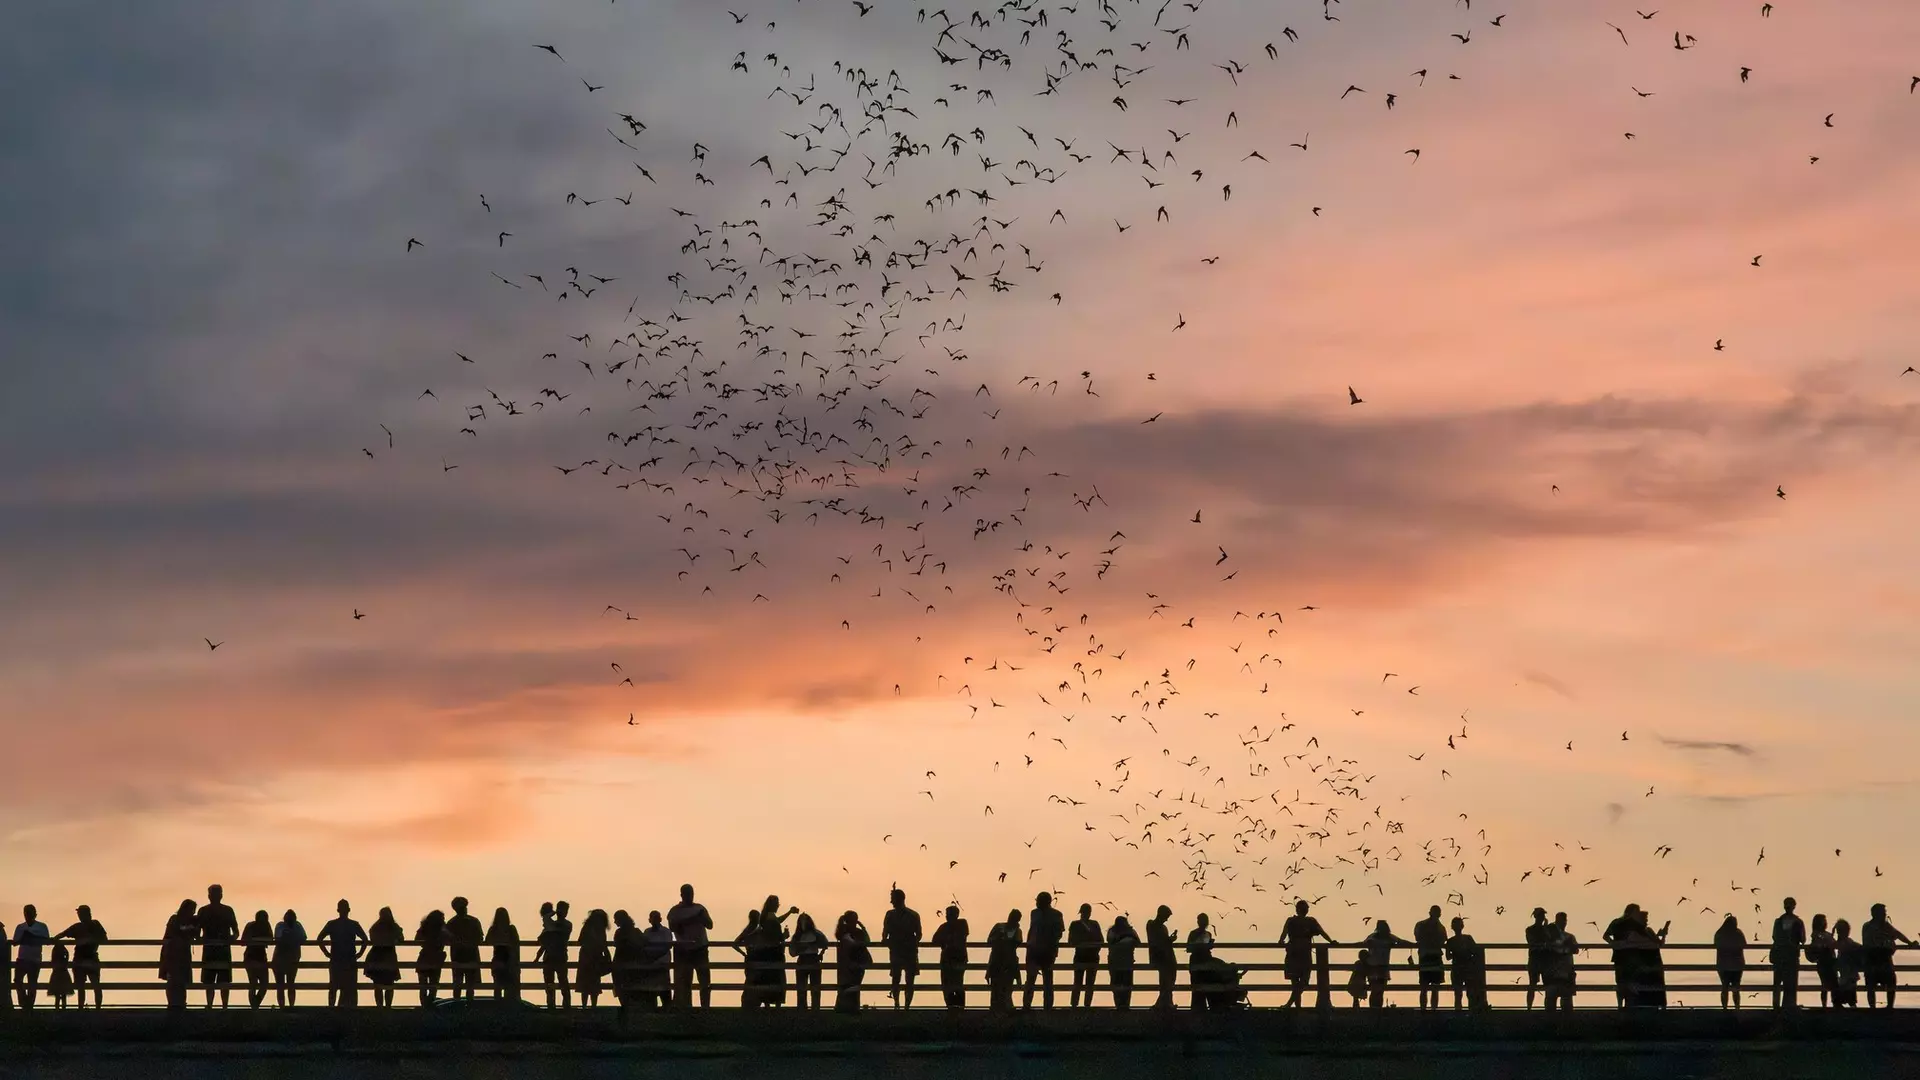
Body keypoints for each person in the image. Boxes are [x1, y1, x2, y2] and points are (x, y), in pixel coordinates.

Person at [1280, 900, 1333, 1008]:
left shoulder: (1293, 921)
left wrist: (1281, 942)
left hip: (1294, 953)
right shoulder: (1309, 921)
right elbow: (1322, 932)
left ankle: (1292, 1005)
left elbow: (1283, 936)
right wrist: (1331, 941)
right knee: (1301, 982)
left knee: (1297, 983)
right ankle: (1295, 1006)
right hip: (1302, 954)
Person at [667, 885, 714, 1009]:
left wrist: (700, 917)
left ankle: (705, 1007)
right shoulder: (675, 911)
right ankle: (687, 1007)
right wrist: (694, 918)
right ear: (681, 895)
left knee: (704, 982)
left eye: (691, 893)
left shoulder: (700, 908)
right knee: (685, 982)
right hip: (684, 950)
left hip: (700, 948)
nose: (690, 896)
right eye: (687, 894)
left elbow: (709, 924)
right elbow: (674, 927)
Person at [1861, 903, 1914, 1009]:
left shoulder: (1885, 925)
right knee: (1872, 985)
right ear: (1875, 913)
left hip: (1883, 958)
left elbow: (1898, 934)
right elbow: (1869, 943)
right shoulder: (1868, 926)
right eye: (1883, 912)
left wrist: (1909, 943)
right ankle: (1873, 1008)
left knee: (1890, 982)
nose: (1885, 914)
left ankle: (1889, 1007)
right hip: (1874, 958)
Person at [54, 905, 107, 1009]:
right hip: (86, 958)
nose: (79, 916)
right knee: (89, 985)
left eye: (80, 914)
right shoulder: (83, 926)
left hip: (85, 958)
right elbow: (62, 934)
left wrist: (89, 940)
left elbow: (61, 935)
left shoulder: (88, 925)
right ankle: (92, 1008)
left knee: (90, 985)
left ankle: (86, 1008)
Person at [316, 900, 366, 1008]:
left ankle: (332, 1008)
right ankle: (350, 1009)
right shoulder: (353, 924)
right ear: (349, 910)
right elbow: (365, 940)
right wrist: (360, 953)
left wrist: (326, 953)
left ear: (338, 910)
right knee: (349, 986)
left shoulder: (332, 924)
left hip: (337, 959)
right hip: (349, 959)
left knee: (334, 985)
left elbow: (319, 939)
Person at [196, 884, 239, 1009]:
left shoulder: (227, 910)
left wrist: (231, 938)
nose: (215, 896)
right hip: (210, 948)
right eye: (213, 893)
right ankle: (210, 1004)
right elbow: (197, 931)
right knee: (209, 980)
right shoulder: (204, 911)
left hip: (222, 949)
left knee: (223, 980)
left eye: (217, 893)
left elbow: (236, 931)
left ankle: (224, 1005)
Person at [880, 889, 923, 1008]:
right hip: (905, 950)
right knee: (903, 979)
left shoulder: (892, 915)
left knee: (900, 979)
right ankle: (902, 1005)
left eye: (893, 899)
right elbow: (919, 934)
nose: (891, 901)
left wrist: (887, 941)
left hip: (900, 950)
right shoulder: (912, 915)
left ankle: (900, 1005)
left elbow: (885, 933)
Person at [752, 896, 797, 1008]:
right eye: (777, 903)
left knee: (767, 978)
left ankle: (767, 1004)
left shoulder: (766, 917)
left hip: (766, 953)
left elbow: (778, 920)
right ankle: (776, 1005)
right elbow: (776, 937)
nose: (778, 906)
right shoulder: (770, 920)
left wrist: (789, 913)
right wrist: (784, 936)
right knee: (776, 978)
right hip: (775, 953)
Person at [1024, 892, 1066, 1010]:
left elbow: (1059, 932)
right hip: (1034, 951)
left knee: (1047, 980)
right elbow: (1031, 931)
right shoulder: (1034, 913)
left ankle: (1047, 1006)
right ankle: (1026, 1005)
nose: (1036, 902)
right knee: (1031, 980)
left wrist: (1049, 944)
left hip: (1047, 951)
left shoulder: (1056, 914)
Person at [158, 899, 199, 1012]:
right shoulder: (175, 919)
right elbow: (172, 932)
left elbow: (196, 933)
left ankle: (181, 1003)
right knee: (172, 979)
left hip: (183, 953)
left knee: (182, 980)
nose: (192, 913)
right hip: (172, 952)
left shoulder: (191, 921)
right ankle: (172, 1003)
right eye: (191, 910)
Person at [1361, 919, 1412, 1009]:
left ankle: (1375, 1009)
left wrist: (1412, 944)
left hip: (1378, 966)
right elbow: (1366, 942)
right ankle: (1375, 1009)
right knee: (1376, 990)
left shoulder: (1385, 937)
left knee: (1378, 991)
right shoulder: (1382, 937)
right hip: (1377, 966)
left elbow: (1400, 941)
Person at [1602, 904, 1642, 1009]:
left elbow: (1606, 936)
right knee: (1629, 982)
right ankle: (1628, 1005)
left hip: (1620, 955)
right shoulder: (1634, 924)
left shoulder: (1616, 922)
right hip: (1630, 956)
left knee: (1621, 982)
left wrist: (1613, 944)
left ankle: (1621, 1005)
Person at [929, 905, 969, 1010]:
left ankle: (957, 1006)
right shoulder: (954, 925)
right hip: (953, 958)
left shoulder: (960, 924)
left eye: (949, 914)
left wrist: (946, 941)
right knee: (951, 983)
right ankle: (952, 1006)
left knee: (955, 983)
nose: (947, 917)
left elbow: (937, 940)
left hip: (954, 958)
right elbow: (935, 940)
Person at [13, 905, 51, 1009]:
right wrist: (23, 937)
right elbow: (15, 942)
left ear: (35, 914)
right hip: (22, 958)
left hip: (35, 959)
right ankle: (23, 1002)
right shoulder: (20, 927)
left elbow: (47, 941)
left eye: (29, 913)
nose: (27, 915)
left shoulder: (42, 926)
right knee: (17, 980)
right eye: (26, 913)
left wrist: (32, 936)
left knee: (32, 983)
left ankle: (29, 1005)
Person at [537, 900, 573, 1009]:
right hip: (554, 956)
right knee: (553, 982)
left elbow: (544, 939)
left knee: (562, 982)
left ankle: (563, 1004)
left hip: (557, 956)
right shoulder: (561, 925)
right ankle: (553, 1003)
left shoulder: (565, 925)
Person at [1445, 917, 1487, 1010]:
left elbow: (1448, 957)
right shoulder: (1468, 938)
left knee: (1458, 993)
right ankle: (1470, 1012)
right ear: (1462, 926)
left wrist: (1456, 954)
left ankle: (1458, 1012)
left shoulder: (1450, 941)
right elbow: (1475, 952)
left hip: (1457, 968)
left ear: (1452, 927)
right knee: (1470, 992)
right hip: (1468, 968)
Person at [833, 910, 871, 1012]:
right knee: (850, 986)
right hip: (851, 961)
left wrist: (862, 928)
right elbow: (863, 942)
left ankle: (851, 1007)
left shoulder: (848, 932)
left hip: (856, 960)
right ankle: (848, 1007)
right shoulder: (845, 932)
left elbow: (867, 941)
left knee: (853, 985)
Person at [1771, 897, 1805, 1009]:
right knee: (1791, 983)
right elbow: (1803, 939)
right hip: (1792, 956)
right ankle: (1789, 1005)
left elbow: (1774, 936)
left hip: (1779, 955)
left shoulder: (1778, 921)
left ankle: (1776, 1006)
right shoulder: (1798, 922)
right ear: (1794, 906)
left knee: (1777, 982)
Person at [986, 910, 1023, 1013]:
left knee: (1006, 988)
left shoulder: (1016, 930)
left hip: (1007, 962)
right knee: (997, 988)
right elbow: (989, 940)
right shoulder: (1000, 927)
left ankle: (1003, 1008)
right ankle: (998, 1009)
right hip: (999, 961)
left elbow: (1017, 942)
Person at [791, 912, 829, 1010]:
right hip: (804, 959)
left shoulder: (815, 933)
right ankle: (802, 1008)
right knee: (802, 987)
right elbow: (792, 952)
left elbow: (825, 943)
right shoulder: (797, 936)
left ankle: (815, 1008)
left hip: (812, 959)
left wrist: (820, 954)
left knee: (815, 986)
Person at [1633, 908, 1671, 1008]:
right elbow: (1659, 944)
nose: (1646, 921)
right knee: (1656, 984)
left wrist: (1661, 936)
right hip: (1653, 958)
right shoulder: (1647, 931)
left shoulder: (1636, 933)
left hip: (1647, 959)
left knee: (1648, 984)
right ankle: (1658, 1006)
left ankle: (1648, 1006)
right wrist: (1662, 935)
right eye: (1645, 919)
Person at [365, 907, 402, 1007]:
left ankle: (380, 1007)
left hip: (376, 956)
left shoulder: (376, 927)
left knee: (378, 984)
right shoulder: (393, 926)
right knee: (389, 984)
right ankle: (387, 1007)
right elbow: (401, 938)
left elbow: (372, 938)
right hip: (388, 956)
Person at [448, 897, 484, 1002]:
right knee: (469, 985)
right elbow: (480, 938)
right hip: (469, 955)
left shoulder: (451, 923)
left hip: (458, 956)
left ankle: (457, 1005)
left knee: (459, 984)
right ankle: (468, 1006)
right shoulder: (473, 921)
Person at [1542, 912, 1578, 1012]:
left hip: (1559, 972)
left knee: (1558, 1002)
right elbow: (1575, 949)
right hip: (1558, 972)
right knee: (1559, 1002)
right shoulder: (1569, 937)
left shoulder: (1568, 937)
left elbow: (1575, 949)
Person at [578, 908, 614, 1009]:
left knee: (587, 984)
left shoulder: (588, 927)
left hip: (587, 957)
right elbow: (603, 944)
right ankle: (591, 1006)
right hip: (593, 957)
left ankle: (586, 1006)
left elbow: (580, 940)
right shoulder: (600, 929)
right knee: (592, 984)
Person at [1068, 904, 1102, 1008]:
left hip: (1081, 955)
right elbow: (1100, 940)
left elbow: (1071, 941)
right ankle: (1083, 1005)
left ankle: (1076, 1005)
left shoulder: (1075, 924)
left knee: (1081, 982)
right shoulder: (1094, 924)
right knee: (1086, 983)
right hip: (1090, 956)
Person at [1413, 905, 1447, 1011]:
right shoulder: (1441, 928)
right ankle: (1432, 1009)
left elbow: (1418, 938)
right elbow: (1443, 940)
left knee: (1425, 987)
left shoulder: (1421, 925)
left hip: (1426, 956)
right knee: (1433, 988)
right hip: (1434, 957)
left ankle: (1426, 1009)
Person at [611, 910, 643, 1019]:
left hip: (621, 964)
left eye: (616, 919)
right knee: (631, 989)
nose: (614, 922)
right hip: (632, 964)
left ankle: (626, 1012)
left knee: (622, 989)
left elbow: (617, 944)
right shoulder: (636, 932)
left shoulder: (619, 933)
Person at [639, 910, 674, 1010]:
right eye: (652, 918)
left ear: (660, 919)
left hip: (662, 963)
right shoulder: (646, 932)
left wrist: (654, 956)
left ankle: (667, 1008)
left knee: (664, 988)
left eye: (656, 917)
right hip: (650, 964)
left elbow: (667, 946)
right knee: (651, 990)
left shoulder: (666, 931)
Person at [415, 909, 451, 1006]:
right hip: (436, 959)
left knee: (423, 985)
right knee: (433, 985)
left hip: (424, 957)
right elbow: (450, 939)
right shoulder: (442, 931)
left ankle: (424, 1005)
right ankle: (430, 1004)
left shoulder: (424, 928)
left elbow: (417, 939)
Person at [272, 909, 306, 1008]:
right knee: (281, 984)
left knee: (289, 983)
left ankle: (290, 1006)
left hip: (292, 959)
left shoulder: (297, 925)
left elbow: (303, 938)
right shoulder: (280, 925)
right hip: (280, 959)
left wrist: (288, 937)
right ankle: (283, 1006)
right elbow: (278, 938)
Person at [486, 907, 521, 1002]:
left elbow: (487, 940)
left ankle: (498, 1004)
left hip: (498, 957)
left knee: (498, 984)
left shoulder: (494, 929)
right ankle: (506, 1004)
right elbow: (516, 943)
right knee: (508, 984)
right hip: (508, 958)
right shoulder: (511, 929)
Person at [1146, 905, 1177, 1011]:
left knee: (1169, 980)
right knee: (1166, 981)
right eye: (1166, 916)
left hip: (1167, 956)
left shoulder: (1162, 927)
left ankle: (1165, 1003)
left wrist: (1169, 940)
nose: (1167, 919)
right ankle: (1164, 1003)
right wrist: (1169, 940)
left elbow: (1161, 940)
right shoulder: (1152, 924)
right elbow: (1156, 940)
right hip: (1162, 957)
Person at [1107, 915, 1140, 1009]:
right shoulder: (1114, 931)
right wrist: (1126, 938)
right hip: (1118, 961)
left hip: (1124, 961)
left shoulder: (1129, 931)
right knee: (1118, 984)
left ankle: (1124, 1005)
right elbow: (1112, 941)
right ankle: (1120, 1005)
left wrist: (1121, 939)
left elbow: (1137, 942)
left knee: (1126, 984)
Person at [241, 910, 273, 1008]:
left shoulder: (266, 926)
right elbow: (243, 941)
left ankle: (255, 1004)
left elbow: (271, 940)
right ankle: (254, 1006)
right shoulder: (250, 926)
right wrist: (259, 940)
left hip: (260, 956)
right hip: (251, 956)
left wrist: (256, 940)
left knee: (263, 984)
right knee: (254, 983)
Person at [733, 910, 764, 1008]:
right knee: (755, 981)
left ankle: (749, 1002)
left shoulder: (748, 930)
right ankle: (752, 1002)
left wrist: (743, 953)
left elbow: (735, 944)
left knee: (750, 980)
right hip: (756, 957)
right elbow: (735, 943)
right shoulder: (756, 930)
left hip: (750, 957)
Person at [1713, 914, 1746, 1009]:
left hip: (1723, 965)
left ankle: (1724, 1007)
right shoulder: (1738, 933)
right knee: (1736, 988)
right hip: (1737, 965)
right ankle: (1737, 1007)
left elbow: (1715, 943)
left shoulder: (1719, 933)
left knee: (1724, 987)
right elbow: (1744, 944)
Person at [1807, 913, 1839, 1009]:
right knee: (1825, 984)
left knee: (1833, 984)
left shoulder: (1826, 934)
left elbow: (1833, 944)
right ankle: (1825, 1005)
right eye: (1823, 921)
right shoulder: (1816, 934)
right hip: (1823, 962)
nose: (1825, 923)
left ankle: (1834, 1004)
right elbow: (1821, 943)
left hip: (1831, 961)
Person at [1184, 913, 1215, 1011]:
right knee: (1199, 985)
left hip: (1201, 960)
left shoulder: (1203, 934)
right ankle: (1199, 1008)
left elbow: (1189, 948)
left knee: (1202, 985)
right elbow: (1189, 948)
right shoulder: (1198, 934)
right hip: (1200, 960)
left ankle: (1199, 1007)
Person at [1524, 908, 1553, 1010]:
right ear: (1536, 917)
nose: (1542, 917)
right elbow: (1532, 942)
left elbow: (1549, 941)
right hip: (1536, 960)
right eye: (1541, 915)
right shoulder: (1530, 929)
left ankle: (1547, 1008)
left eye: (1543, 915)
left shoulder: (1546, 929)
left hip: (1543, 960)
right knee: (1533, 984)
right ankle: (1529, 1007)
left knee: (1546, 985)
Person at [1834, 919, 1862, 1008]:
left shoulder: (1846, 942)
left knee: (1848, 996)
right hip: (1848, 973)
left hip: (1848, 973)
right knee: (1849, 997)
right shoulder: (1848, 942)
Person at [47, 943, 73, 1009]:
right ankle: (63, 1008)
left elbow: (52, 960)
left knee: (57, 995)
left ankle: (57, 1008)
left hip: (56, 975)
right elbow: (67, 954)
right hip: (64, 975)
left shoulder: (55, 961)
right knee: (63, 994)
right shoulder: (64, 962)